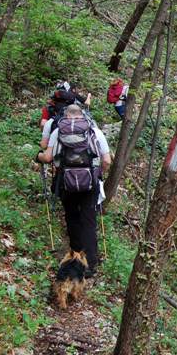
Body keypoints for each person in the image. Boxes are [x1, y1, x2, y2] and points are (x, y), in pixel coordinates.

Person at [37, 105, 111, 277]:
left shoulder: (58, 131)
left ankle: (76, 257)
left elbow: (47, 158)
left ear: (66, 115)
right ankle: (90, 265)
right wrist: (99, 173)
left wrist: (38, 156)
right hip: (89, 182)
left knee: (72, 217)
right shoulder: (94, 130)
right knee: (89, 220)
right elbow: (106, 160)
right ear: (82, 115)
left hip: (66, 182)